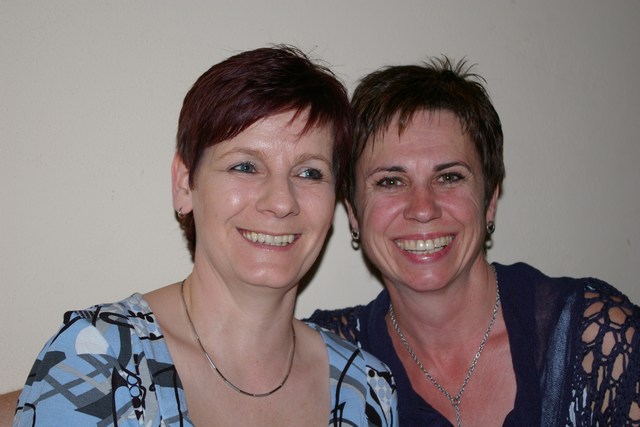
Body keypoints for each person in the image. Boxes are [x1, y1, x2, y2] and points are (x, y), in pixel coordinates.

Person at [12, 45, 397, 426]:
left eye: (309, 172)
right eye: (245, 166)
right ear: (184, 184)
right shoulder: (98, 361)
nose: (281, 202)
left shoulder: (366, 388)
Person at [308, 57, 640, 426]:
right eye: (390, 181)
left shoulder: (601, 343)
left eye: (449, 177)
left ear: (490, 201)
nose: (423, 209)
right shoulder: (325, 360)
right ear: (353, 213)